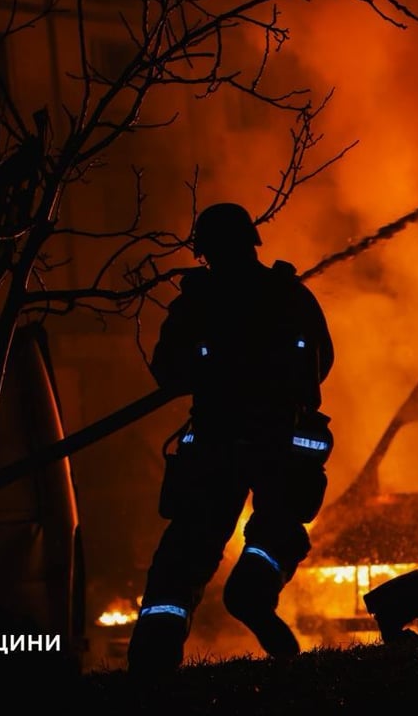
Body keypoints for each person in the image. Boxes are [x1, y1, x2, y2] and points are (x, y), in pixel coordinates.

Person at [128, 202, 335, 679]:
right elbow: (322, 363)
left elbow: (167, 371)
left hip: (217, 441)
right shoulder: (289, 295)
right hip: (280, 438)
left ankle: (153, 660)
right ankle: (253, 593)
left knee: (187, 550)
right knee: (277, 526)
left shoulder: (195, 304)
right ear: (251, 243)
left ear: (204, 252)